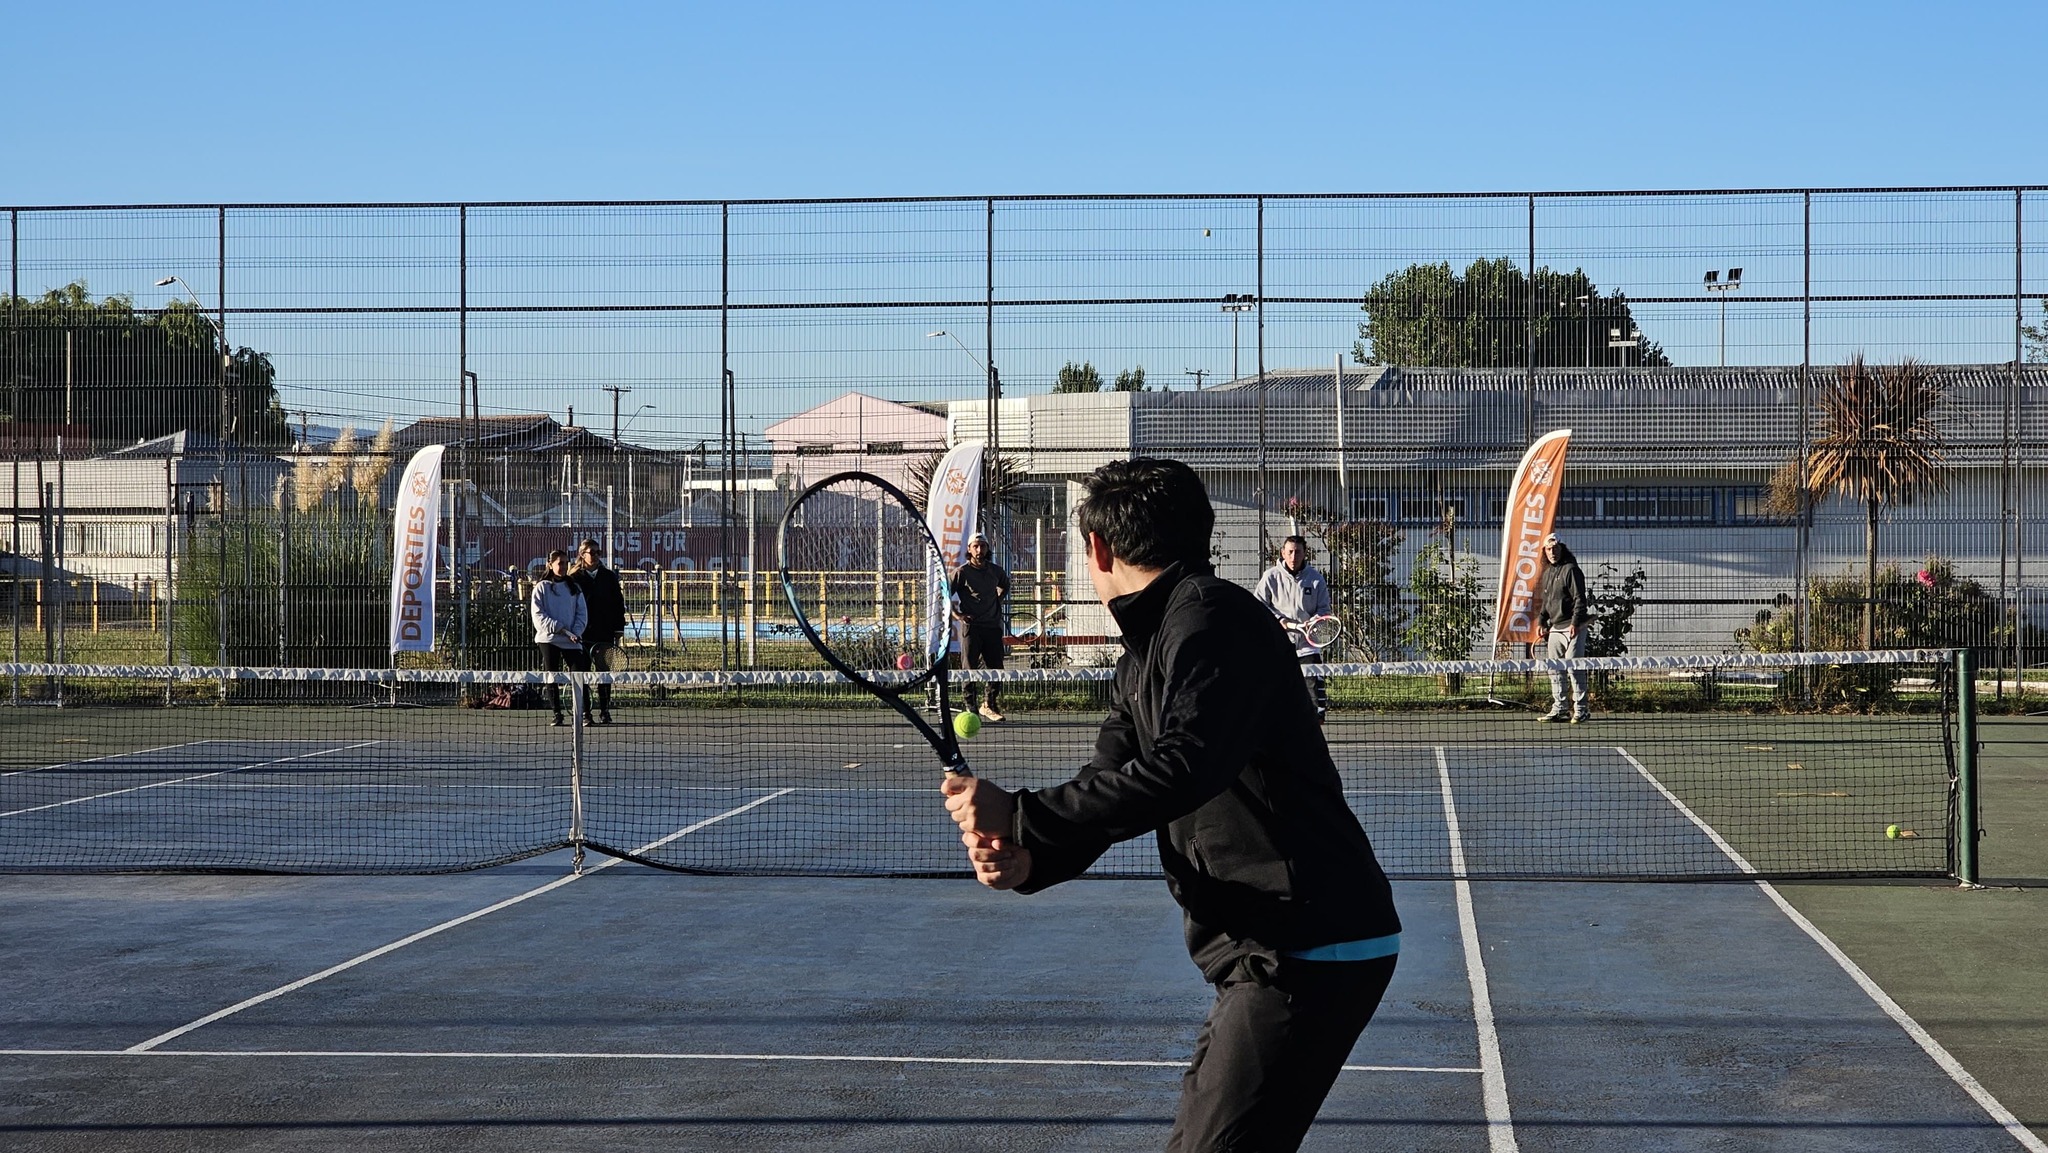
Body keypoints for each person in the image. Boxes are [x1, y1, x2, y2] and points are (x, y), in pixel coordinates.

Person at [943, 457, 1400, 1153]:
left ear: (1099, 549)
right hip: (1270, 948)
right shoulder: (1146, 655)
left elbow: (1184, 768)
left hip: (1306, 944)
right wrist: (1030, 856)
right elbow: (1109, 783)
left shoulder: (1212, 621)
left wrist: (1024, 813)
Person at [1254, 534, 1334, 721]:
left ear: (1305, 553)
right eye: (1290, 552)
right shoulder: (1270, 577)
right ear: (1283, 552)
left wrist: (1313, 622)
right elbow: (1259, 606)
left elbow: (1324, 609)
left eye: (1298, 552)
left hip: (1308, 645)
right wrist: (1280, 621)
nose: (1293, 556)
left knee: (1313, 687)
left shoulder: (1316, 579)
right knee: (1274, 688)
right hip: (1278, 644)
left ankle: (1316, 722)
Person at [951, 531, 1011, 722]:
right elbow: (943, 596)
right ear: (969, 549)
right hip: (972, 629)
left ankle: (989, 704)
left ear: (987, 548)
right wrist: (958, 615)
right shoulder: (961, 572)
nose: (979, 549)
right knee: (969, 668)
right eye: (975, 546)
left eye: (982, 546)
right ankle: (971, 707)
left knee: (996, 669)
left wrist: (997, 601)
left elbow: (1005, 585)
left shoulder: (996, 571)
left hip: (992, 627)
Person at [529, 549, 590, 727]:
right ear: (550, 565)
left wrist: (575, 632)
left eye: (565, 563)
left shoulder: (574, 588)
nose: (562, 566)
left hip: (572, 641)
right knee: (552, 676)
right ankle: (557, 714)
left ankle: (585, 713)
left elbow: (581, 614)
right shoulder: (541, 588)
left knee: (579, 676)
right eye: (559, 563)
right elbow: (538, 616)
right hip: (548, 639)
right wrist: (559, 628)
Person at [1534, 532, 1590, 723]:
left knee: (1574, 666)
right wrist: (1542, 621)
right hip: (1556, 628)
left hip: (1574, 627)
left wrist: (1575, 623)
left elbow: (1580, 599)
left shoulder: (1571, 570)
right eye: (1549, 549)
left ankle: (1582, 709)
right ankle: (1560, 709)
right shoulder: (1548, 573)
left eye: (1556, 548)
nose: (1552, 552)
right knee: (1554, 668)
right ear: (1545, 551)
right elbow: (1547, 602)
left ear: (1562, 548)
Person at [572, 538, 627, 725]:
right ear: (582, 554)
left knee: (604, 675)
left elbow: (618, 604)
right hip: (582, 635)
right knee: (583, 674)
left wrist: (619, 628)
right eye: (591, 552)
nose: (595, 556)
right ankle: (586, 713)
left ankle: (605, 710)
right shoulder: (574, 578)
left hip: (605, 633)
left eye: (598, 552)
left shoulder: (609, 576)